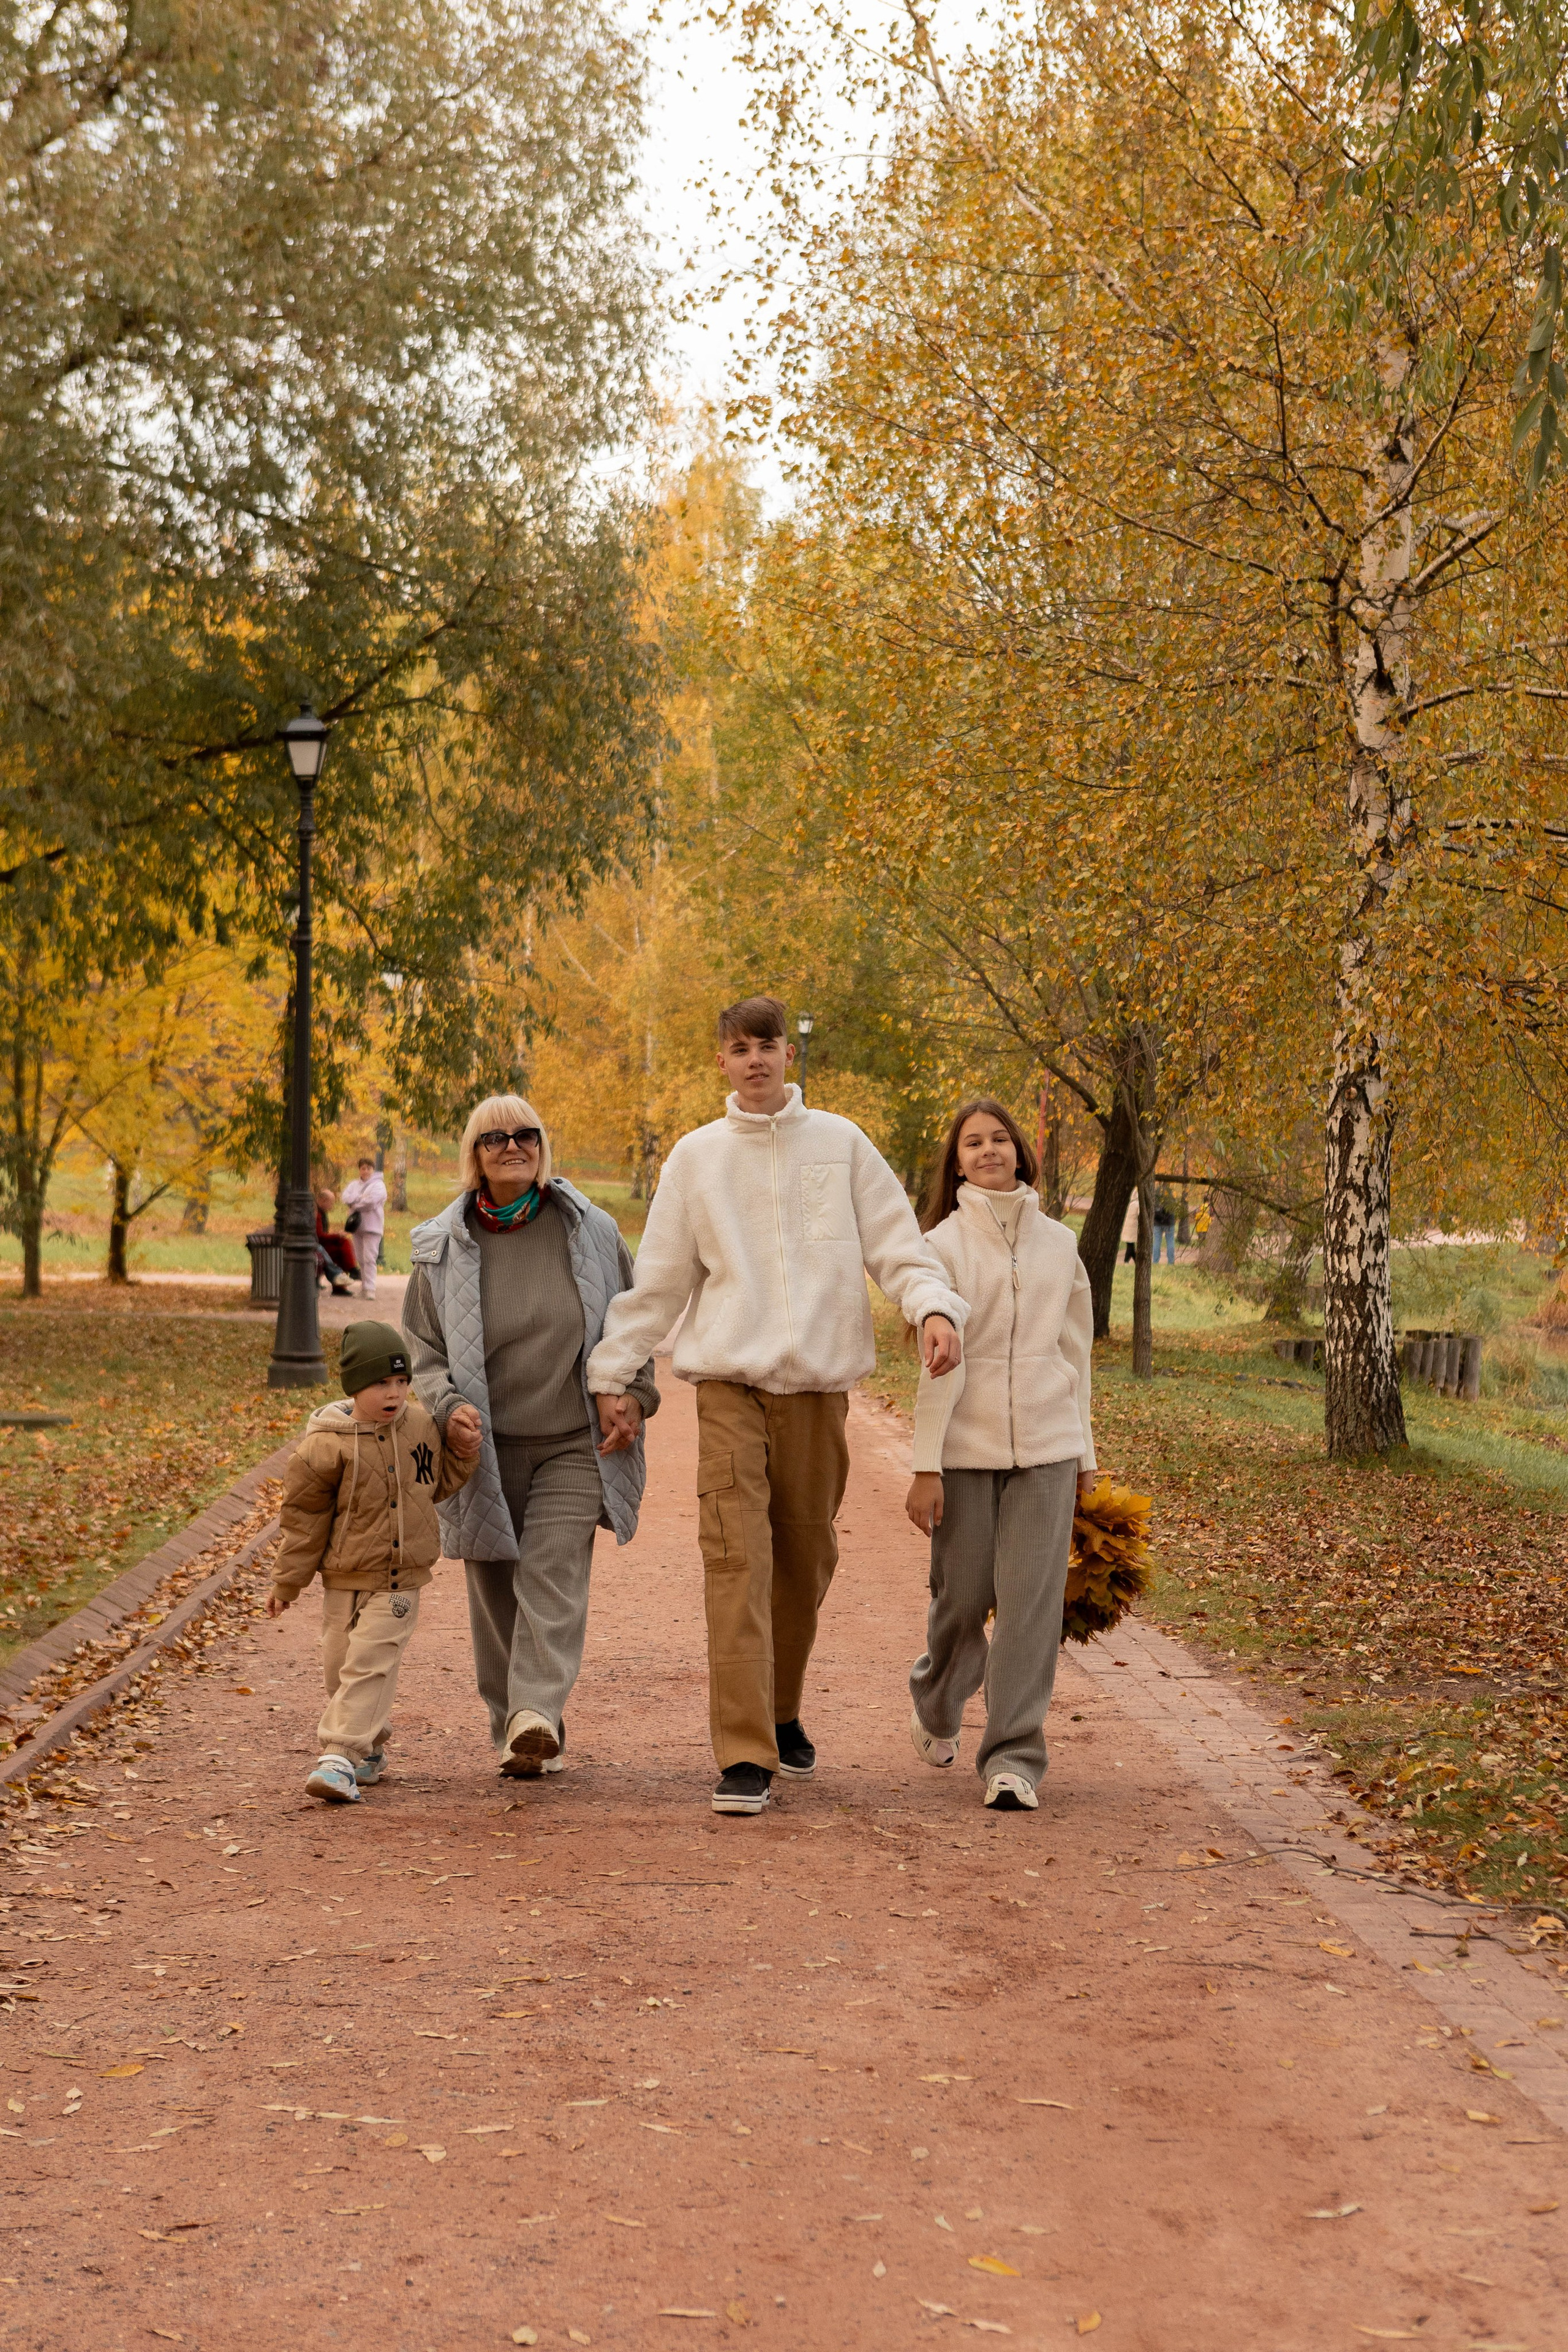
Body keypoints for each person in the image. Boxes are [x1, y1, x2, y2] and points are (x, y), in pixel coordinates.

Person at [586, 995, 968, 1818]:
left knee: (804, 1567)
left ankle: (782, 1705)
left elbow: (900, 1250)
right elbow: (659, 1285)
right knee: (736, 1562)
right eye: (738, 1048)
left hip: (819, 1394)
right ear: (719, 1062)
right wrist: (615, 1372)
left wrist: (932, 1307)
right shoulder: (695, 1159)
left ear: (788, 1055)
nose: (754, 1059)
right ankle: (747, 1751)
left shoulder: (842, 1145)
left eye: (766, 1045)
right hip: (729, 1388)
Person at [403, 1095, 660, 1780]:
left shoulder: (594, 1231)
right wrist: (446, 1403)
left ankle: (536, 1712)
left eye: (525, 1135)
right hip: (480, 1446)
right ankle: (513, 1730)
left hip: (573, 1440)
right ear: (474, 1155)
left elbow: (633, 1330)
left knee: (552, 1571)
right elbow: (422, 1351)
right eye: (494, 1138)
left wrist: (634, 1397)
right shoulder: (440, 1245)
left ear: (542, 1145)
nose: (511, 1146)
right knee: (494, 1597)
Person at [904, 1097, 1098, 1812]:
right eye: (973, 1143)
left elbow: (1075, 1354)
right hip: (964, 1450)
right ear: (956, 1162)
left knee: (1030, 1607)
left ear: (1020, 1151)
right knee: (961, 1599)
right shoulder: (939, 1248)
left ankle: (1014, 1757)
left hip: (1046, 1445)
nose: (988, 1151)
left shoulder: (1061, 1244)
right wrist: (926, 1466)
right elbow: (935, 1367)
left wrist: (1084, 1459)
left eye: (999, 1140)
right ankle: (936, 1696)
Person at [268, 1321, 480, 1804]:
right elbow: (304, 1521)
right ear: (353, 1386)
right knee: (340, 1669)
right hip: (344, 1577)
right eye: (381, 1383)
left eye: (402, 1383)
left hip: (401, 1580)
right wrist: (288, 1582)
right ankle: (371, 1749)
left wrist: (464, 1455)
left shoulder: (423, 1428)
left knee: (370, 1662)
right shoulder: (323, 1446)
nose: (394, 1393)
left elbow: (437, 1484)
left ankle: (339, 1757)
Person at [342, 1156, 388, 1299]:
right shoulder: (354, 1185)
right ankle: (364, 1287)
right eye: (363, 1168)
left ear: (373, 1170)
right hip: (357, 1227)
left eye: (369, 1168)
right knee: (361, 1259)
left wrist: (355, 1203)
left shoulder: (379, 1185)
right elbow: (345, 1198)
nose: (366, 1171)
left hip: (373, 1227)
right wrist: (360, 1198)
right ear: (359, 1170)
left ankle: (370, 1289)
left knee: (370, 1258)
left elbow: (371, 1201)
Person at [314, 1187, 358, 1296]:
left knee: (343, 1244)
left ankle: (345, 1280)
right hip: (318, 1246)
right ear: (323, 1201)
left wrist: (336, 1235)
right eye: (331, 1203)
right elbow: (319, 1237)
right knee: (342, 1245)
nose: (332, 1206)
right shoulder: (318, 1214)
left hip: (320, 1245)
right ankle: (351, 1271)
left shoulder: (321, 1213)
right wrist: (336, 1235)